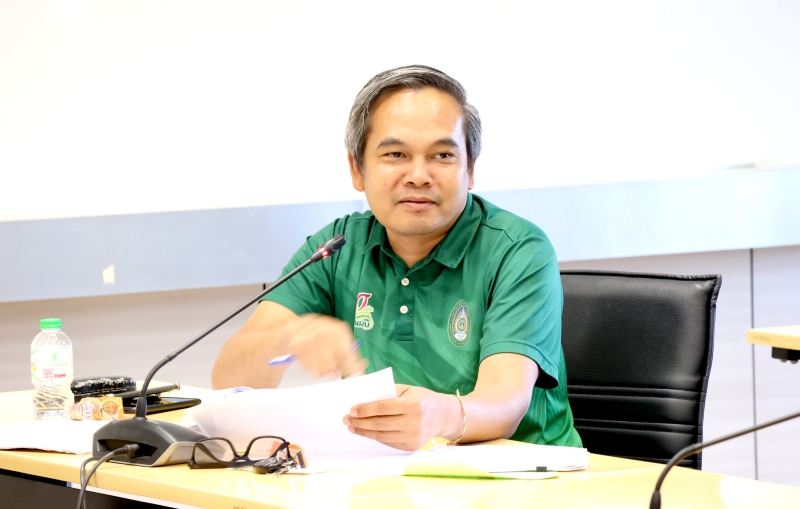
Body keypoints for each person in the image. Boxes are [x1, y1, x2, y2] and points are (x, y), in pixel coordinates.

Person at [212, 65, 581, 451]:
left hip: (523, 475)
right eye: (396, 154)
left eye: (442, 155)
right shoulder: (338, 247)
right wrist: (286, 340)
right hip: (386, 473)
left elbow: (506, 403)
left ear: (470, 168)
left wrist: (439, 415)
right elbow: (229, 382)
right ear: (357, 169)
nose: (419, 175)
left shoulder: (518, 249)